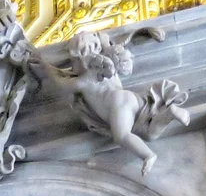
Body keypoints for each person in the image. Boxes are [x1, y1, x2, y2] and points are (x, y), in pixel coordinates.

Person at [33, 29, 188, 176]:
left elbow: (61, 83)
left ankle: (148, 155)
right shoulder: (108, 66)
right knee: (148, 133)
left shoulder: (84, 81)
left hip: (117, 105)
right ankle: (169, 113)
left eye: (73, 60)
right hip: (130, 98)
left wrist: (46, 68)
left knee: (122, 136)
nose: (72, 66)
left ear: (80, 59)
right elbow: (109, 44)